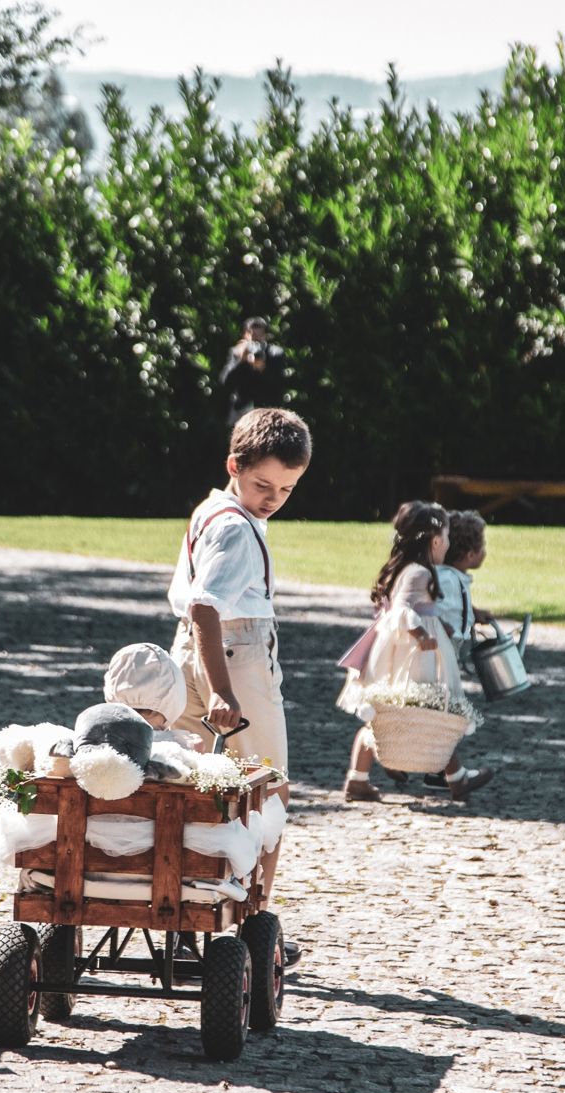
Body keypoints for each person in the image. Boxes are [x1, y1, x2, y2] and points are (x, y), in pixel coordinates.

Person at [168, 407, 311, 964]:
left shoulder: (214, 508)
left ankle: (182, 917)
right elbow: (206, 607)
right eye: (263, 484)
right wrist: (224, 690)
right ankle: (256, 921)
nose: (273, 497)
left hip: (190, 655)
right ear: (234, 465)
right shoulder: (235, 525)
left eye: (286, 488)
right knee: (268, 788)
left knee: (191, 787)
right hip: (235, 655)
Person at [334, 501, 461, 802]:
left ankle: (359, 778)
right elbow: (403, 610)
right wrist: (421, 633)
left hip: (404, 648)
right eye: (447, 535)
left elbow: (413, 606)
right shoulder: (420, 572)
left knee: (403, 711)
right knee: (429, 709)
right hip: (413, 653)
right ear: (436, 540)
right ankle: (457, 776)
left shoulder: (408, 568)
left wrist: (439, 624)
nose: (449, 542)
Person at [427, 508, 496, 799]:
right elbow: (438, 612)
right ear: (470, 554)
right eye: (482, 547)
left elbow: (458, 609)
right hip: (441, 659)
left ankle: (436, 772)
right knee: (445, 716)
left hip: (446, 657)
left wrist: (474, 614)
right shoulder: (448, 581)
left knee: (438, 714)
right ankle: (453, 777)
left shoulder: (453, 578)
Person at [218, 317, 285, 428]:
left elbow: (279, 384)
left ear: (265, 336)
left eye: (259, 336)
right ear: (245, 335)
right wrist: (241, 360)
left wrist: (263, 369)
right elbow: (225, 382)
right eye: (253, 336)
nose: (256, 341)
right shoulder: (237, 352)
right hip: (242, 413)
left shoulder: (275, 354)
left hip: (267, 413)